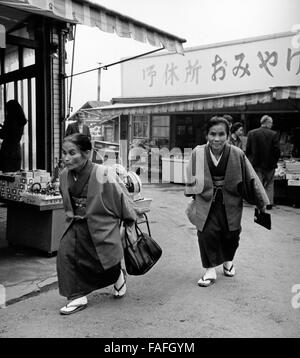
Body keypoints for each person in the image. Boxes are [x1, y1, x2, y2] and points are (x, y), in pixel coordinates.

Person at [57, 133, 137, 315]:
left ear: (86, 153)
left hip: (100, 223)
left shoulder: (103, 173)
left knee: (103, 259)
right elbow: (66, 201)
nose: (66, 158)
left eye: (72, 153)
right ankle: (77, 295)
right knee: (65, 254)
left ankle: (117, 276)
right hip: (75, 223)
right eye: (63, 153)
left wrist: (129, 219)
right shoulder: (64, 175)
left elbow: (121, 197)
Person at [185, 116, 269, 287]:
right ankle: (209, 270)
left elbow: (251, 178)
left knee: (232, 234)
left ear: (228, 135)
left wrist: (261, 201)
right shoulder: (198, 153)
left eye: (221, 134)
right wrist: (193, 195)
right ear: (206, 135)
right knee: (206, 234)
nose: (216, 139)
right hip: (206, 200)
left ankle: (228, 260)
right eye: (212, 134)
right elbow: (191, 176)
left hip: (230, 201)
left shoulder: (237, 154)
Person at [245, 115, 281, 210]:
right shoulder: (273, 134)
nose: (272, 125)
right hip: (270, 165)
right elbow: (277, 150)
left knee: (258, 184)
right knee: (269, 184)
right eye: (271, 123)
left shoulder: (251, 133)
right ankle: (268, 203)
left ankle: (259, 202)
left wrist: (251, 160)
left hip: (256, 164)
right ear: (267, 123)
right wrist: (274, 161)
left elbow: (248, 150)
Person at [0, 100, 27, 172]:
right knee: (14, 176)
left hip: (8, 151)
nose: (6, 112)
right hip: (16, 150)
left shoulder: (10, 120)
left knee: (6, 177)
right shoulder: (21, 120)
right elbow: (12, 133)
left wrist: (2, 129)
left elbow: (3, 134)